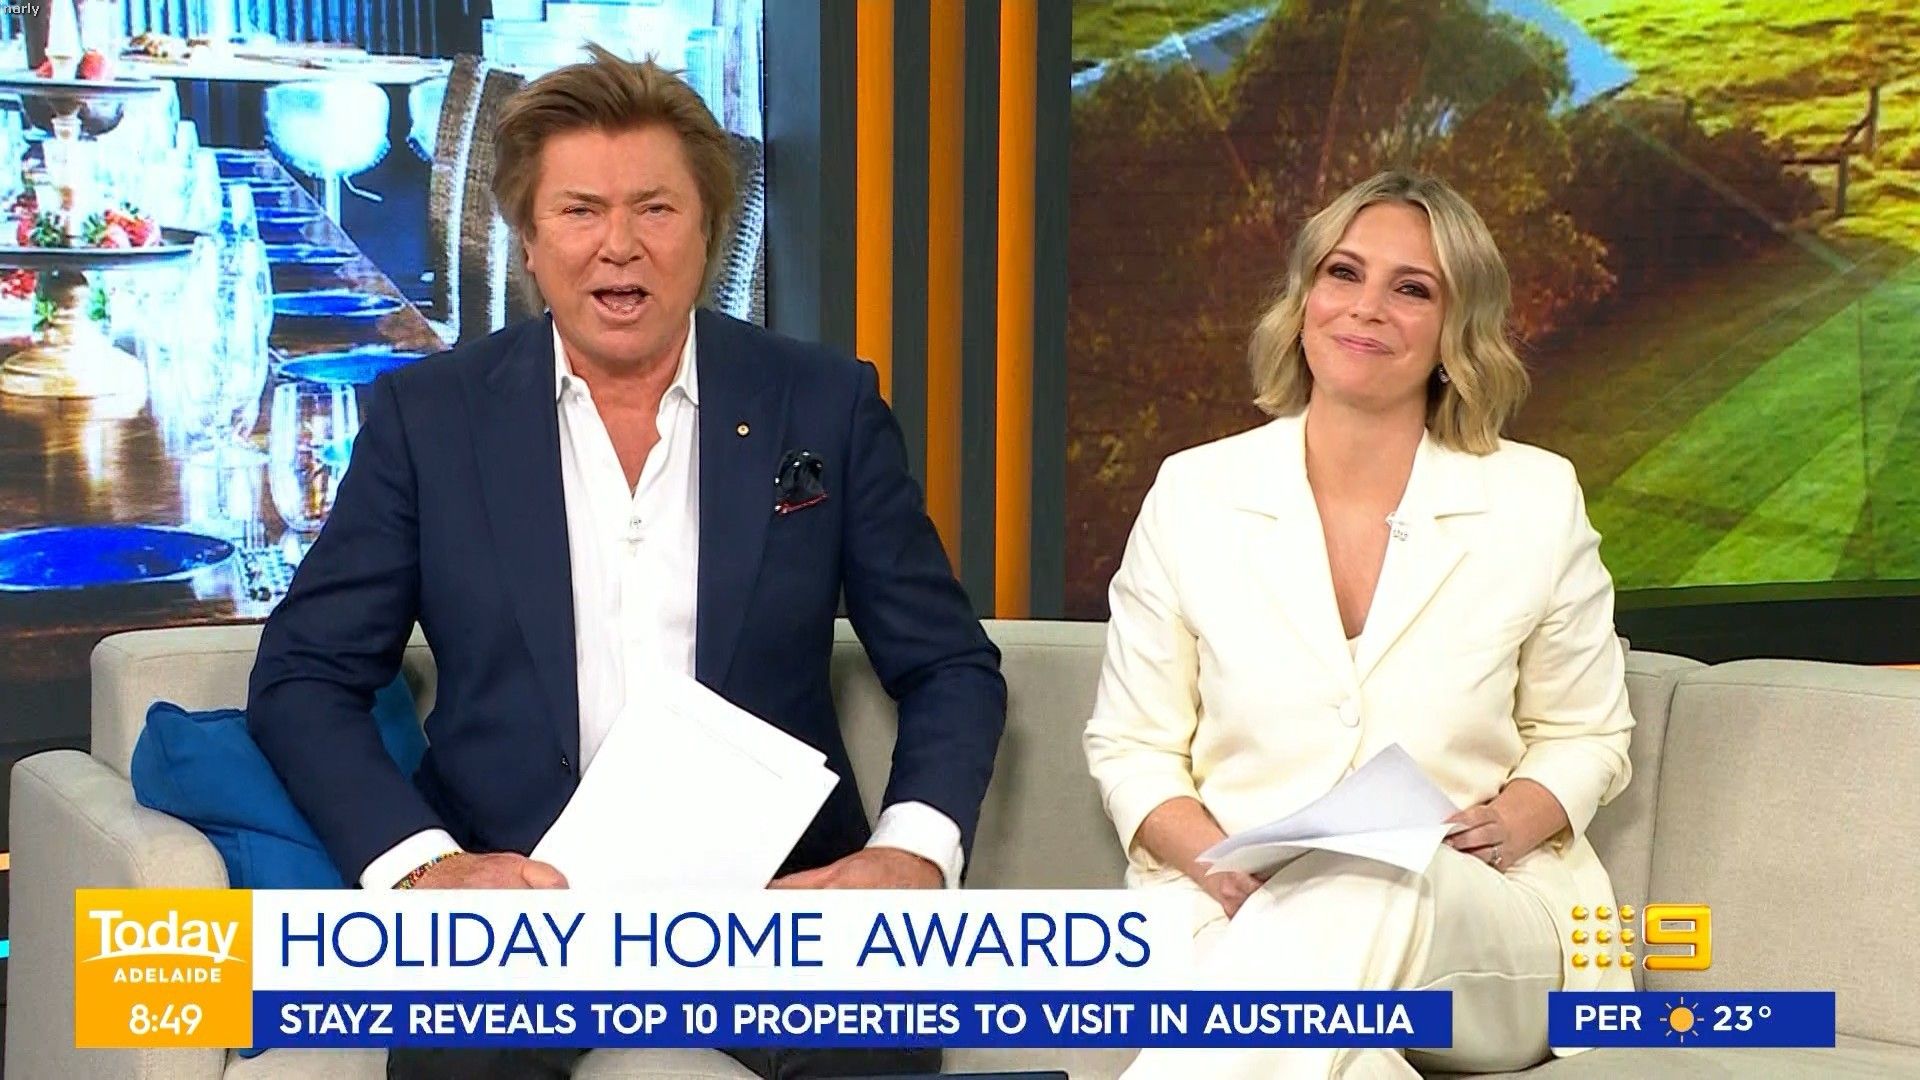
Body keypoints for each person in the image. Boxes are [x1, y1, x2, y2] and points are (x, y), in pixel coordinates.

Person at [247, 46, 1005, 1080]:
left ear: (707, 231)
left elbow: (949, 665)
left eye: (655, 209)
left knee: (871, 1049)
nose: (619, 246)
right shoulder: (430, 419)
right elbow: (304, 676)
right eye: (580, 211)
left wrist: (910, 852)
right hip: (520, 905)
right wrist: (425, 870)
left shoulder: (823, 403)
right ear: (527, 239)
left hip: (777, 900)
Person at [1083, 171, 1635, 1079]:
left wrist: (1510, 822)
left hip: (1479, 920)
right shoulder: (1195, 493)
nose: (1367, 307)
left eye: (1412, 288)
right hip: (1230, 906)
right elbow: (1131, 746)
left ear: (1456, 334)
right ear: (1305, 300)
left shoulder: (1534, 497)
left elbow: (1588, 733)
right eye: (1343, 273)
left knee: (1366, 878)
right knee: (1342, 1038)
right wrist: (1219, 866)